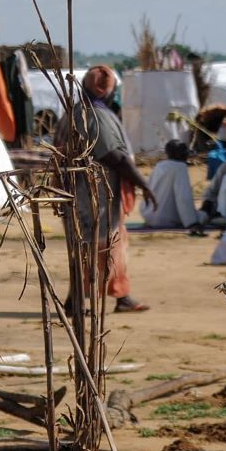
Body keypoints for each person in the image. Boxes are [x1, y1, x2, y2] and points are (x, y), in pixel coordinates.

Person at [74, 65, 157, 312]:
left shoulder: (81, 111)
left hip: (91, 191)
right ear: (107, 90)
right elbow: (112, 155)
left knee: (100, 245)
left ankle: (119, 296)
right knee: (98, 245)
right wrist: (143, 184)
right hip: (96, 192)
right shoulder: (95, 115)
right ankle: (80, 300)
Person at [139, 140, 199, 230]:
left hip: (149, 215)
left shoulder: (160, 165)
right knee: (204, 215)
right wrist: (191, 222)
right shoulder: (180, 167)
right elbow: (183, 197)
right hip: (166, 219)